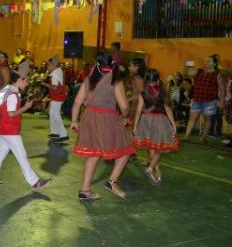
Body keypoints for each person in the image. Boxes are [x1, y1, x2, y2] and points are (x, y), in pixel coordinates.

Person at [71, 51, 135, 201]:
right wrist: (125, 117)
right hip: (106, 118)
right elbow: (124, 106)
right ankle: (112, 181)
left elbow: (77, 102)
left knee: (94, 154)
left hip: (88, 117)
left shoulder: (89, 79)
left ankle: (85, 190)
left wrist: (74, 121)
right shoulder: (115, 81)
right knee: (127, 148)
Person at [0, 61, 51, 189]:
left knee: (1, 152)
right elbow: (12, 113)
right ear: (20, 80)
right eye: (26, 81)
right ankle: (34, 181)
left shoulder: (6, 89)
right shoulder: (13, 94)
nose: (27, 83)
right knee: (21, 155)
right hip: (10, 129)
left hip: (2, 127)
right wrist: (25, 107)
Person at [133, 69, 179, 186]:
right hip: (159, 121)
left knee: (151, 147)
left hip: (146, 121)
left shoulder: (143, 94)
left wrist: (135, 126)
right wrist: (173, 124)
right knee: (159, 148)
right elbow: (168, 109)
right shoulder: (163, 92)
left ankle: (156, 173)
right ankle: (150, 169)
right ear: (158, 80)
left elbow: (138, 112)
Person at [182, 54, 226, 144]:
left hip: (210, 101)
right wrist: (186, 65)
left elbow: (222, 89)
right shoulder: (199, 71)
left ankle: (203, 138)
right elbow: (186, 73)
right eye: (205, 61)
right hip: (196, 99)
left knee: (207, 119)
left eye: (209, 61)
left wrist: (221, 101)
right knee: (192, 118)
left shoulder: (217, 74)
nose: (206, 62)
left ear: (214, 64)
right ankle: (187, 136)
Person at [42, 55, 68, 144]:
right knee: (52, 114)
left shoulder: (55, 74)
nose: (47, 67)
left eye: (48, 65)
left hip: (57, 97)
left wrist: (43, 84)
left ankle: (63, 135)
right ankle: (55, 132)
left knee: (56, 115)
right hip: (58, 97)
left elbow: (55, 87)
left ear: (53, 65)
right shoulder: (58, 71)